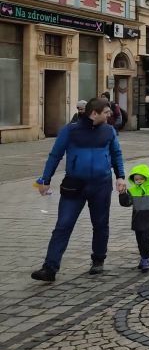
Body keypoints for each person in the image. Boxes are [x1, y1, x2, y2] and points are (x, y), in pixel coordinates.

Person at [31, 97, 126, 282]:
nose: (109, 115)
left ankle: (98, 260)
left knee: (100, 224)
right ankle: (49, 268)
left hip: (101, 184)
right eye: (106, 112)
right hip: (74, 184)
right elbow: (55, 155)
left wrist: (120, 176)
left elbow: (117, 154)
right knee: (63, 225)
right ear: (94, 113)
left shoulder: (109, 130)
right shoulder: (70, 130)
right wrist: (45, 179)